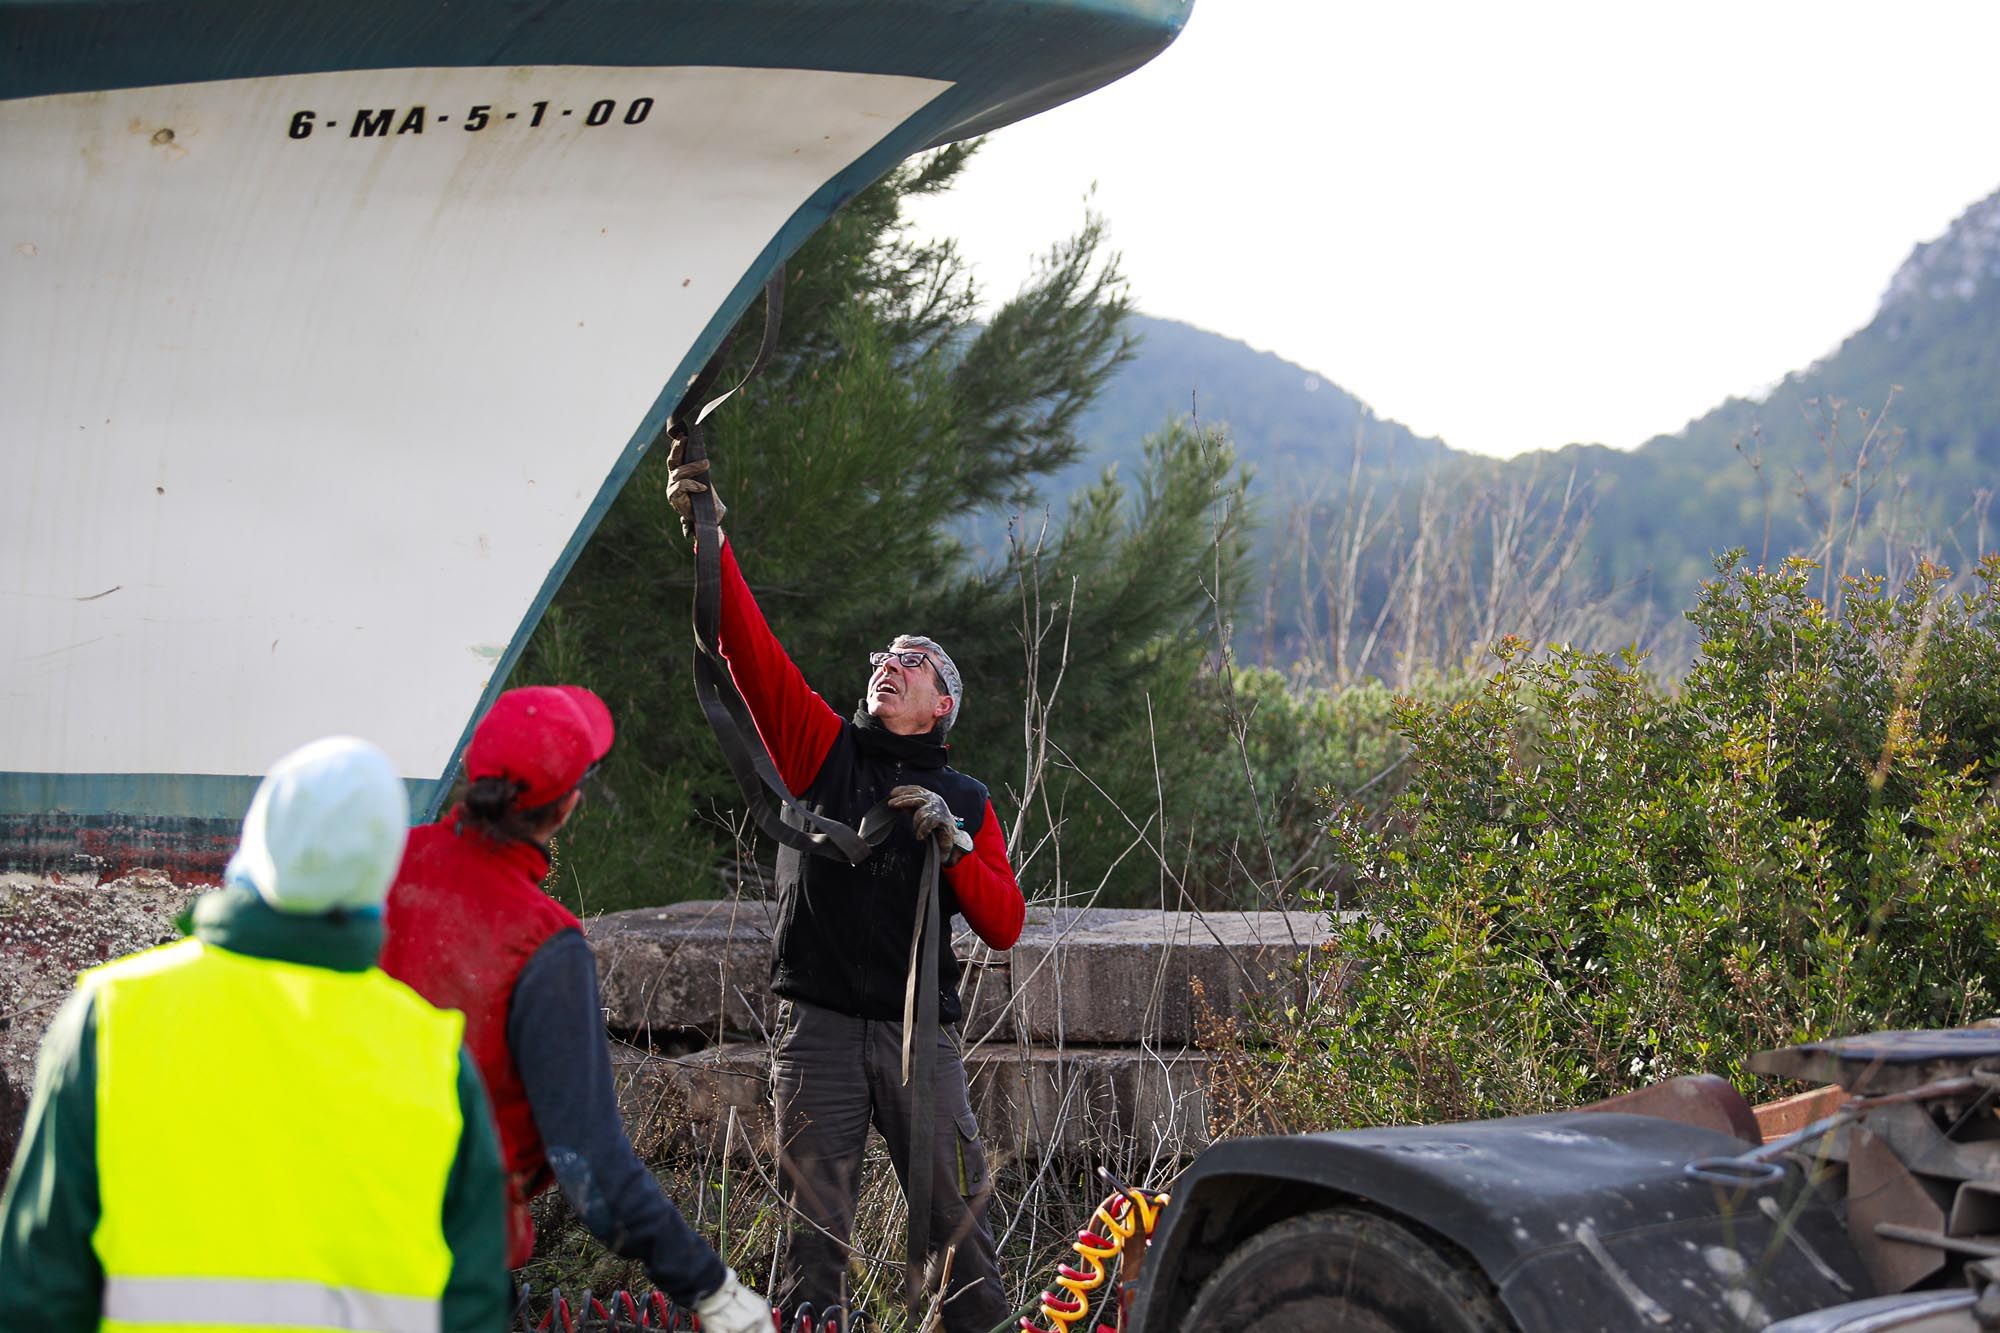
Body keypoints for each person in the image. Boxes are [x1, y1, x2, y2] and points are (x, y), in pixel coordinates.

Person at [668, 453, 1027, 1332]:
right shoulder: (823, 750)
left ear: (943, 704)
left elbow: (1005, 923)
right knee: (810, 1251)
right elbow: (745, 646)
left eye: (913, 662)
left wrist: (957, 845)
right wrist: (707, 534)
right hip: (820, 1030)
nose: (889, 665)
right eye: (885, 655)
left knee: (964, 1237)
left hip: (922, 1038)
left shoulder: (971, 800)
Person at [0, 736, 511, 1332]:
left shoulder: (111, 1015)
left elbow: (38, 1287)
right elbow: (474, 1305)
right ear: (381, 874)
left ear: (253, 839)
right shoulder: (435, 1061)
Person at [379, 685, 771, 1333]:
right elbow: (590, 1162)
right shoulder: (543, 943)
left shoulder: (381, 869)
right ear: (565, 808)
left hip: (319, 1233)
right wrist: (711, 1287)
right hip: (448, 1268)